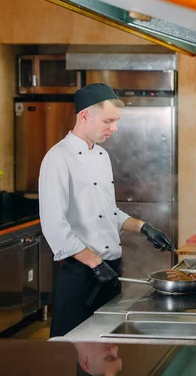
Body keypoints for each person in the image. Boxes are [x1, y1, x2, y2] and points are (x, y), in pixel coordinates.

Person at [39, 83, 175, 338]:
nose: (114, 128)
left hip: (110, 269)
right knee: (74, 352)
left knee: (105, 349)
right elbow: (54, 225)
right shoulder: (58, 158)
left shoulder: (101, 155)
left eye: (116, 121)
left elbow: (108, 211)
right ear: (85, 115)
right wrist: (95, 262)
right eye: (108, 121)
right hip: (82, 273)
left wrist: (143, 227)